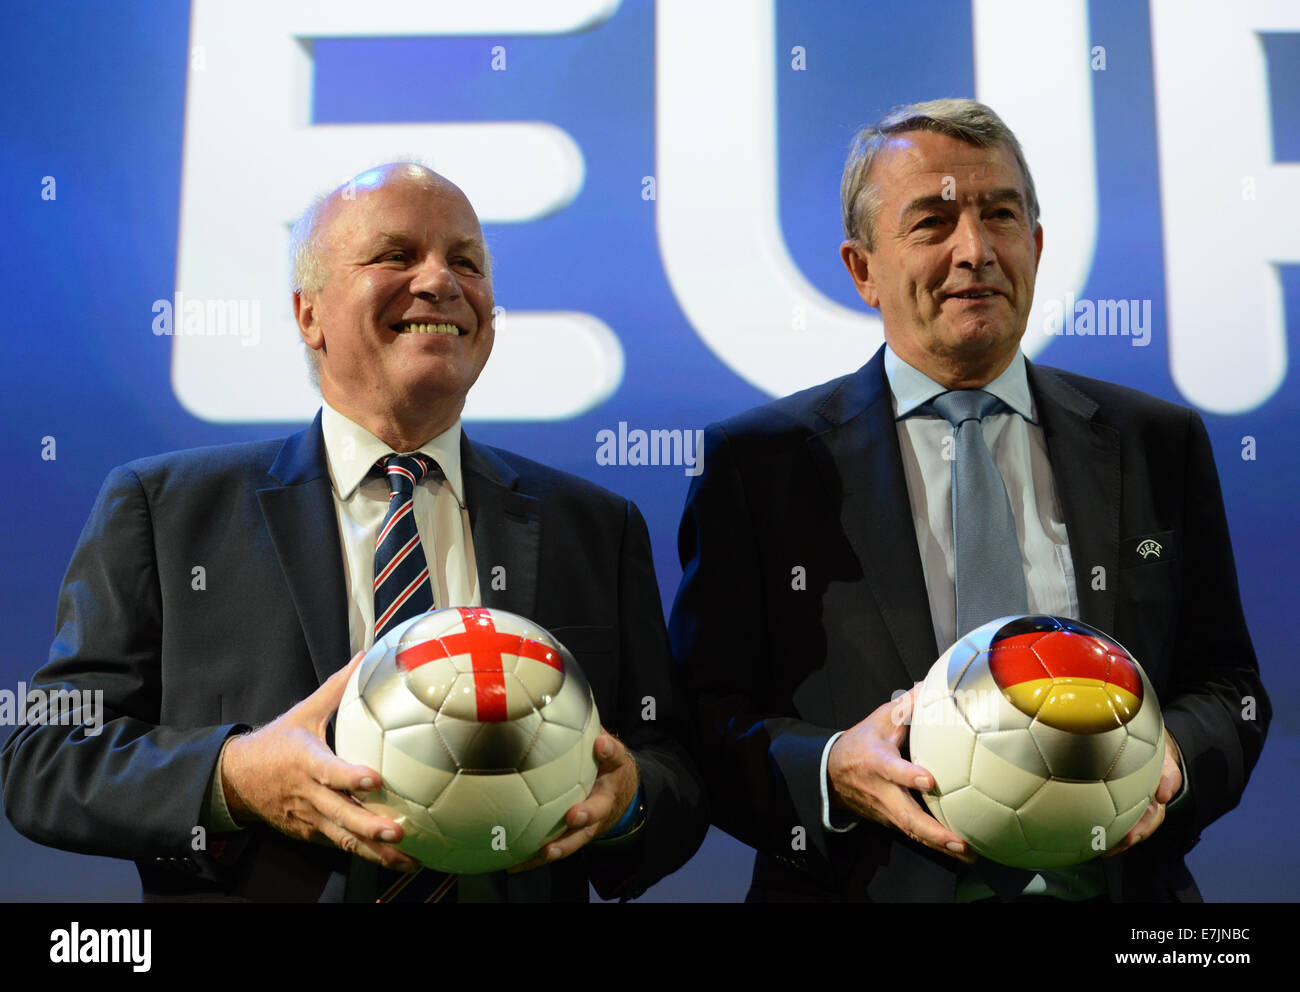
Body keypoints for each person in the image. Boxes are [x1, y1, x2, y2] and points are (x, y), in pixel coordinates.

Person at [1, 163, 708, 902]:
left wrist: (628, 803)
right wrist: (234, 778)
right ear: (309, 315)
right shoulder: (166, 510)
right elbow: (45, 759)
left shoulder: (593, 525)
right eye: (396, 255)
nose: (440, 281)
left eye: (465, 261)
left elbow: (675, 772)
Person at [668, 99, 1269, 902]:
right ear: (862, 269)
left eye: (1001, 215)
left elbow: (1230, 685)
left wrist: (1174, 761)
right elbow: (702, 718)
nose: (975, 250)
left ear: (1038, 245)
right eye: (932, 222)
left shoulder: (1153, 441)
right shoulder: (763, 464)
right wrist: (827, 769)